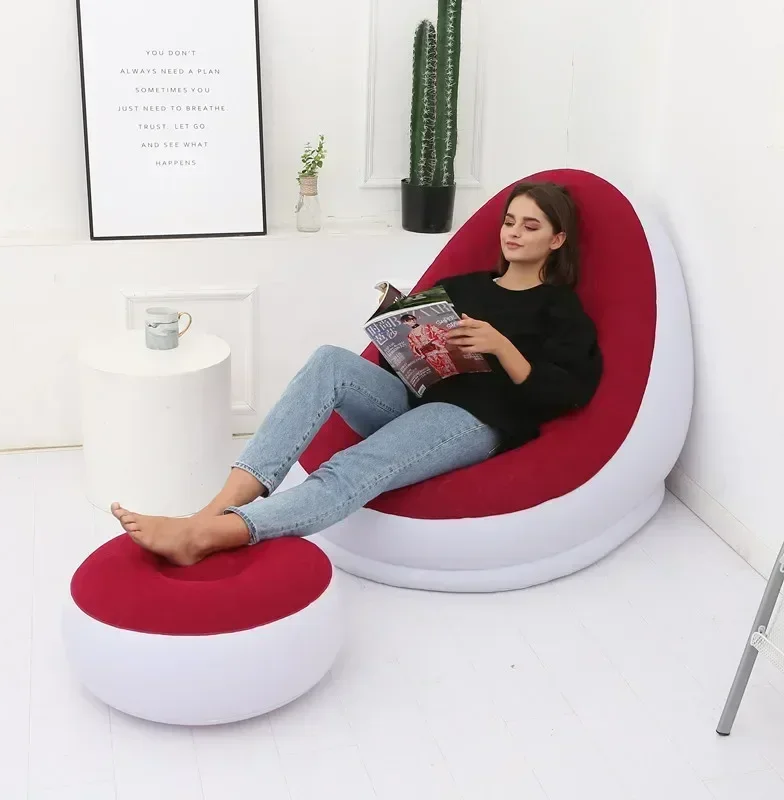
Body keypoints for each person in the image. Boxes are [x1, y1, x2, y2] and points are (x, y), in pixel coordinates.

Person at [112, 181, 603, 566]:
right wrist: (403, 333)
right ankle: (212, 509)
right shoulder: (464, 286)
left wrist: (501, 346)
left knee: (351, 465)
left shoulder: (559, 309)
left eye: (530, 226)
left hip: (476, 419)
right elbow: (401, 361)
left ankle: (208, 535)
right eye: (510, 221)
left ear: (556, 239)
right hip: (421, 397)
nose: (514, 233)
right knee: (330, 359)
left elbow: (566, 393)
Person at [401, 312, 459, 379]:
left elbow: (442, 333)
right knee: (442, 373)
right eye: (408, 320)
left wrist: (435, 342)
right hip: (429, 356)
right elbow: (413, 347)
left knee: (450, 369)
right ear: (405, 323)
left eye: (413, 318)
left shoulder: (428, 327)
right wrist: (419, 349)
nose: (412, 321)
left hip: (439, 351)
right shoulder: (410, 335)